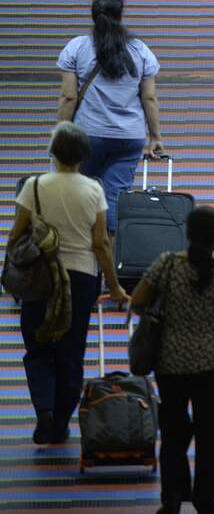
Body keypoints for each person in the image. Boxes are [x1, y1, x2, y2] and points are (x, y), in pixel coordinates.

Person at [130, 206, 214, 514]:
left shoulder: (166, 266)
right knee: (211, 435)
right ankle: (205, 496)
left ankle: (173, 496)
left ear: (187, 234)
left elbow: (137, 301)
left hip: (170, 364)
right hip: (213, 367)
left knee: (173, 433)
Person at [9, 122, 128, 444]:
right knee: (71, 352)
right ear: (83, 156)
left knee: (37, 349)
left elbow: (17, 234)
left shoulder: (33, 186)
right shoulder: (94, 190)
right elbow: (101, 243)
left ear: (53, 152)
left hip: (40, 276)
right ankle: (60, 422)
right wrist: (114, 286)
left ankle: (44, 410)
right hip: (81, 278)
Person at [56, 0, 165, 232]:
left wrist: (60, 134)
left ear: (93, 15)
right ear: (121, 15)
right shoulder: (140, 50)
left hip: (87, 136)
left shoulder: (76, 48)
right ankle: (110, 261)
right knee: (113, 197)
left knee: (80, 192)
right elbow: (149, 97)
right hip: (129, 138)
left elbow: (68, 97)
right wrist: (155, 137)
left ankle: (81, 258)